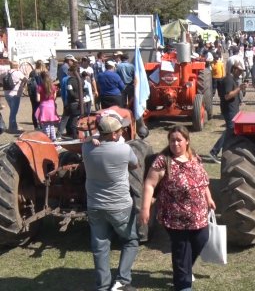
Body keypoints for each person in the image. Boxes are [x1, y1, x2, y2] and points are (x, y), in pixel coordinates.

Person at [140, 125, 216, 291]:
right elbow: (149, 184)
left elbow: (202, 181)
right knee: (181, 248)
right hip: (174, 215)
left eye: (179, 140)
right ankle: (183, 285)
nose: (175, 144)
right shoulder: (163, 160)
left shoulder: (194, 157)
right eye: (172, 140)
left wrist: (209, 198)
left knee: (201, 239)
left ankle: (184, 270)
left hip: (198, 213)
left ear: (187, 141)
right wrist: (145, 208)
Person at [82, 111, 139, 291]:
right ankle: (122, 280)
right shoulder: (123, 149)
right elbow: (135, 164)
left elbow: (86, 141)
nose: (122, 132)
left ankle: (103, 285)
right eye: (120, 130)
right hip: (119, 205)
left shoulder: (86, 148)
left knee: (100, 246)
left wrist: (93, 139)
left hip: (94, 205)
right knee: (131, 240)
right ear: (113, 134)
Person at [209, 62, 246, 163]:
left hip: (232, 108)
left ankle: (228, 150)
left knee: (232, 130)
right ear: (234, 69)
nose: (240, 73)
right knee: (230, 129)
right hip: (229, 109)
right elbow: (227, 96)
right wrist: (239, 89)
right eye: (239, 71)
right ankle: (214, 151)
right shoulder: (228, 80)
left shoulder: (231, 79)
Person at [35, 69, 59, 142]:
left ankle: (47, 140)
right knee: (51, 125)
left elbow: (38, 99)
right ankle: (54, 140)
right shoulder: (54, 87)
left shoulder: (39, 87)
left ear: (41, 78)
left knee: (45, 125)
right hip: (51, 105)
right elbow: (54, 97)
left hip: (44, 106)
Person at [4, 61, 27, 133]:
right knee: (14, 112)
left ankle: (15, 126)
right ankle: (12, 128)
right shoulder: (18, 73)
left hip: (7, 94)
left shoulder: (6, 72)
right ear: (17, 66)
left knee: (12, 111)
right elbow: (26, 80)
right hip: (15, 94)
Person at [27, 60, 44, 129]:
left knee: (34, 109)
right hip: (40, 92)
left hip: (32, 93)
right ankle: (41, 124)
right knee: (41, 109)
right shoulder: (42, 73)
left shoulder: (32, 72)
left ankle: (35, 125)